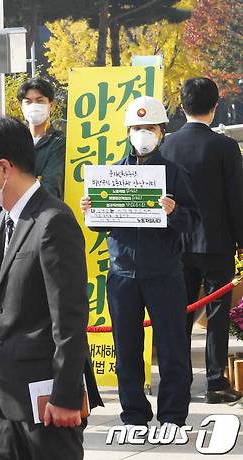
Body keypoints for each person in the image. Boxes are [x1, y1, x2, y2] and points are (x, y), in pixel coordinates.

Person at [0, 117, 102, 459]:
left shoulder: (53, 221)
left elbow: (69, 317)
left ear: (4, 167)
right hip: (10, 395)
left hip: (47, 395)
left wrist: (67, 395)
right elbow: (4, 313)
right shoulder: (5, 219)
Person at [81, 95, 199, 429]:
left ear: (161, 131)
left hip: (164, 273)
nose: (142, 134)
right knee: (127, 350)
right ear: (128, 131)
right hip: (122, 275)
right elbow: (101, 225)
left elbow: (193, 221)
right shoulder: (112, 175)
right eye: (136, 128)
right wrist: (92, 211)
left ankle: (173, 415)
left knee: (173, 348)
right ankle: (133, 413)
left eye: (148, 128)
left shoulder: (175, 174)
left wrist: (174, 213)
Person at [160, 77, 243, 404]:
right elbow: (236, 199)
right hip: (216, 244)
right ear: (215, 105)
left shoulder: (166, 146)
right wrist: (241, 240)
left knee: (178, 314)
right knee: (217, 314)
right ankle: (215, 382)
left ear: (182, 106)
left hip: (175, 245)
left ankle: (177, 383)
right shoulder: (225, 147)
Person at [17, 78, 66, 199]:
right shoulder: (14, 141)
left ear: (51, 105)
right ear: (21, 106)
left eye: (40, 101)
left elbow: (52, 185)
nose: (34, 106)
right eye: (28, 102)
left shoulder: (59, 142)